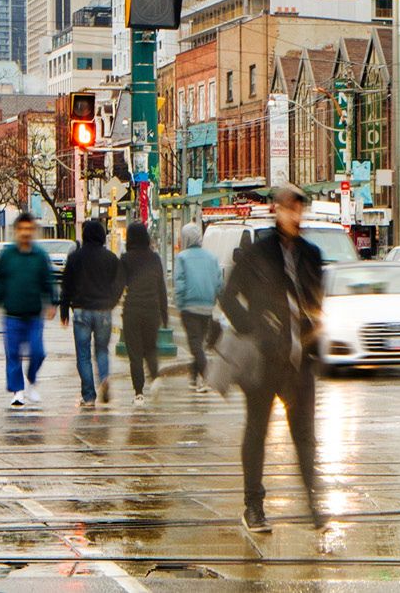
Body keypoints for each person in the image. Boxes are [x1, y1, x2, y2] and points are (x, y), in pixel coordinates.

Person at [219, 185, 326, 533]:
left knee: (305, 436)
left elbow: (316, 303)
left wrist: (317, 340)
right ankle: (254, 505)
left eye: (299, 209)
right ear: (276, 210)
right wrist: (253, 328)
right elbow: (228, 297)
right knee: (257, 432)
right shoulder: (257, 253)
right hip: (264, 361)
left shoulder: (311, 255)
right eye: (288, 208)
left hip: (300, 360)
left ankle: (313, 503)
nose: (295, 215)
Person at [0, 213, 57, 408]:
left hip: (34, 315)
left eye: (29, 229)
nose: (25, 233)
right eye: (22, 229)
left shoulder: (40, 256)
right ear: (16, 231)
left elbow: (47, 281)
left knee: (38, 352)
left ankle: (32, 380)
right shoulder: (8, 256)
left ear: (33, 231)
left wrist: (52, 302)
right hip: (12, 315)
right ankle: (18, 391)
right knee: (13, 354)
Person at [60, 220, 124, 407]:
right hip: (103, 310)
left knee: (83, 354)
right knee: (102, 350)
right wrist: (111, 302)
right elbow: (119, 283)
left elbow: (66, 286)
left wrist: (64, 310)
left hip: (81, 310)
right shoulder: (111, 258)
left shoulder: (75, 258)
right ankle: (104, 377)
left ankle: (88, 396)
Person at [119, 223, 168, 405]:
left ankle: (139, 393)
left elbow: (118, 285)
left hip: (132, 309)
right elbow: (161, 287)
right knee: (150, 348)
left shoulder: (125, 259)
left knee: (135, 354)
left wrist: (107, 303)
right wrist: (164, 313)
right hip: (152, 309)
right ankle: (155, 378)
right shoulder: (154, 258)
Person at [174, 223, 221, 393]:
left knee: (194, 344)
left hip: (189, 307)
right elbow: (218, 283)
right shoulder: (211, 258)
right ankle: (193, 378)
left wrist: (179, 304)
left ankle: (207, 376)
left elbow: (179, 283)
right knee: (199, 343)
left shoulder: (182, 258)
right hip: (207, 307)